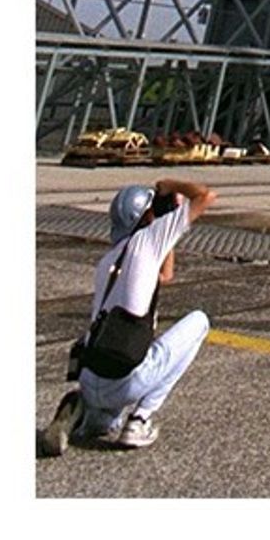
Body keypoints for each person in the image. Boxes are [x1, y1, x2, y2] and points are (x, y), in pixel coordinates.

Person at [40, 176, 217, 456]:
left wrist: (166, 222)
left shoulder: (108, 261)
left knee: (103, 425)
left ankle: (82, 410)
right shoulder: (147, 240)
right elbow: (205, 196)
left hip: (91, 376)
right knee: (199, 322)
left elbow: (165, 275)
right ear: (147, 214)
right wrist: (170, 186)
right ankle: (140, 419)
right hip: (126, 377)